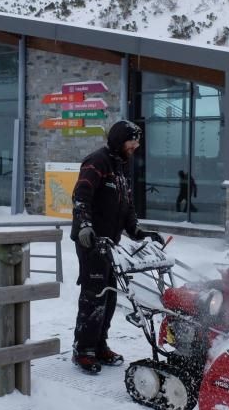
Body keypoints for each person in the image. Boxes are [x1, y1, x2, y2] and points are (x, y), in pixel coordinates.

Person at [70, 119, 164, 374]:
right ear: (119, 139)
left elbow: (126, 206)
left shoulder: (121, 166)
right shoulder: (96, 162)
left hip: (111, 244)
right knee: (94, 296)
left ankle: (100, 345)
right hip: (91, 242)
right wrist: (85, 226)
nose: (136, 145)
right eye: (133, 140)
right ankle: (84, 350)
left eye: (138, 141)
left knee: (110, 296)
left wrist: (138, 232)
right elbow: (81, 196)